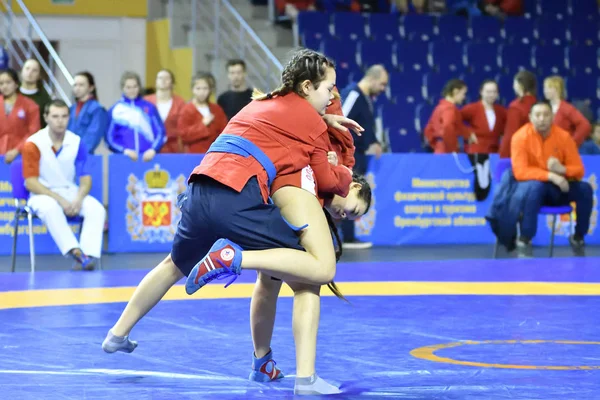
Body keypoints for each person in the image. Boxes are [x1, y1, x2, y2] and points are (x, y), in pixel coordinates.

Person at [103, 50, 362, 394]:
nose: (333, 97)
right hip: (237, 194)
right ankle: (305, 377)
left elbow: (289, 118)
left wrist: (325, 120)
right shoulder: (313, 121)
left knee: (172, 265)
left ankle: (117, 334)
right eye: (330, 89)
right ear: (307, 86)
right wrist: (342, 169)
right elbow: (328, 181)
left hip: (199, 187)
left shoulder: (261, 102)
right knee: (311, 272)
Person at [247, 90, 370, 394]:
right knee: (309, 284)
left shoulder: (331, 177)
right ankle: (306, 379)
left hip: (271, 199)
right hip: (291, 199)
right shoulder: (341, 161)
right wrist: (334, 161)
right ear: (353, 184)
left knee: (267, 283)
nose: (344, 214)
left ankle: (261, 363)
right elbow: (317, 108)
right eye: (352, 208)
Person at [22, 100, 106, 270]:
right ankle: (76, 252)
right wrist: (60, 200)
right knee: (50, 207)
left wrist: (79, 198)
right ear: (46, 118)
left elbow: (85, 178)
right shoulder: (33, 143)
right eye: (55, 116)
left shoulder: (76, 142)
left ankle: (87, 256)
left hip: (70, 191)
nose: (60, 121)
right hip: (42, 194)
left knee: (97, 208)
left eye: (64, 116)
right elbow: (30, 182)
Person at [511, 101, 592, 257]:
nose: (542, 119)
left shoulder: (564, 137)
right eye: (538, 115)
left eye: (546, 115)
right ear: (530, 117)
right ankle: (525, 238)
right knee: (535, 187)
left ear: (553, 117)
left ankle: (578, 237)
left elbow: (579, 171)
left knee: (585, 189)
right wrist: (551, 176)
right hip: (534, 190)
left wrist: (562, 170)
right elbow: (520, 172)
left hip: (560, 189)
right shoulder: (520, 137)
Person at [340, 65, 387, 248]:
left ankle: (349, 236)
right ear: (373, 79)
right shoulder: (353, 94)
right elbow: (339, 119)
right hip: (347, 154)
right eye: (382, 84)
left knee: (354, 192)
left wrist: (373, 141)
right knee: (348, 192)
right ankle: (348, 237)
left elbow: (365, 125)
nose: (383, 89)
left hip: (357, 154)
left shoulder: (366, 99)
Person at [105, 71, 166, 162]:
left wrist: (153, 150)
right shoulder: (115, 110)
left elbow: (161, 132)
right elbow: (109, 138)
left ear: (139, 87)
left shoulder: (149, 107)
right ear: (122, 88)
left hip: (149, 159)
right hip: (123, 160)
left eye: (135, 86)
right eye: (128, 87)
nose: (132, 90)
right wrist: (124, 151)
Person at [178, 72, 228, 153]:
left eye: (205, 88)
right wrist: (202, 125)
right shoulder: (186, 110)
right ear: (192, 89)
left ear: (210, 90)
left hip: (213, 154)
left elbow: (224, 132)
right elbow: (183, 135)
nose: (202, 92)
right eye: (198, 88)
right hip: (193, 155)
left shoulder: (216, 109)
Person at [424, 78, 477, 154]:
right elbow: (447, 126)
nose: (464, 97)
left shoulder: (439, 107)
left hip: (440, 150)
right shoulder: (449, 109)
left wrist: (437, 145)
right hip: (448, 152)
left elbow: (428, 130)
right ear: (455, 91)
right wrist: (453, 149)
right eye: (463, 93)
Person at [0, 68, 40, 163]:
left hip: (23, 155)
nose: (4, 86)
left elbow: (33, 132)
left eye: (8, 82)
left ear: (16, 84)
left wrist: (17, 150)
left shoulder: (30, 105)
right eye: (1, 83)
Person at [144, 69, 186, 153]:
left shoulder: (180, 102)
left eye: (166, 78)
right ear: (156, 82)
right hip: (149, 148)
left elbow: (182, 128)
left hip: (173, 150)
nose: (163, 80)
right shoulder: (146, 101)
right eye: (160, 78)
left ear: (172, 83)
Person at [543, 76, 591, 147]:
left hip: (562, 151)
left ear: (557, 89)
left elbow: (585, 125)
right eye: (545, 88)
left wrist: (572, 143)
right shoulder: (546, 108)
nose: (545, 91)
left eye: (548, 88)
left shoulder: (567, 108)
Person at [461, 79, 506, 154]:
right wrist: (467, 133)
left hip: (495, 152)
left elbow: (507, 128)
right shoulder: (472, 108)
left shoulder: (502, 111)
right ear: (481, 92)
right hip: (477, 151)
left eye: (494, 92)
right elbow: (455, 120)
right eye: (488, 92)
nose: (491, 95)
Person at [498, 70, 537, 158]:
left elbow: (510, 135)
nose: (513, 86)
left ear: (520, 85)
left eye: (514, 83)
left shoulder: (516, 107)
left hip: (519, 155)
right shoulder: (538, 104)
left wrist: (503, 156)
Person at [68, 71, 108, 154]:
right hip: (69, 155)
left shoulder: (97, 109)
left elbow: (93, 136)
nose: (77, 88)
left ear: (91, 88)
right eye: (75, 85)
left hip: (84, 155)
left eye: (81, 85)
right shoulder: (71, 109)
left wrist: (78, 153)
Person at [19, 59, 51, 128]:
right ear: (22, 71)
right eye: (27, 68)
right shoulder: (11, 92)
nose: (29, 73)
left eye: (34, 70)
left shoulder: (45, 98)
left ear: (39, 75)